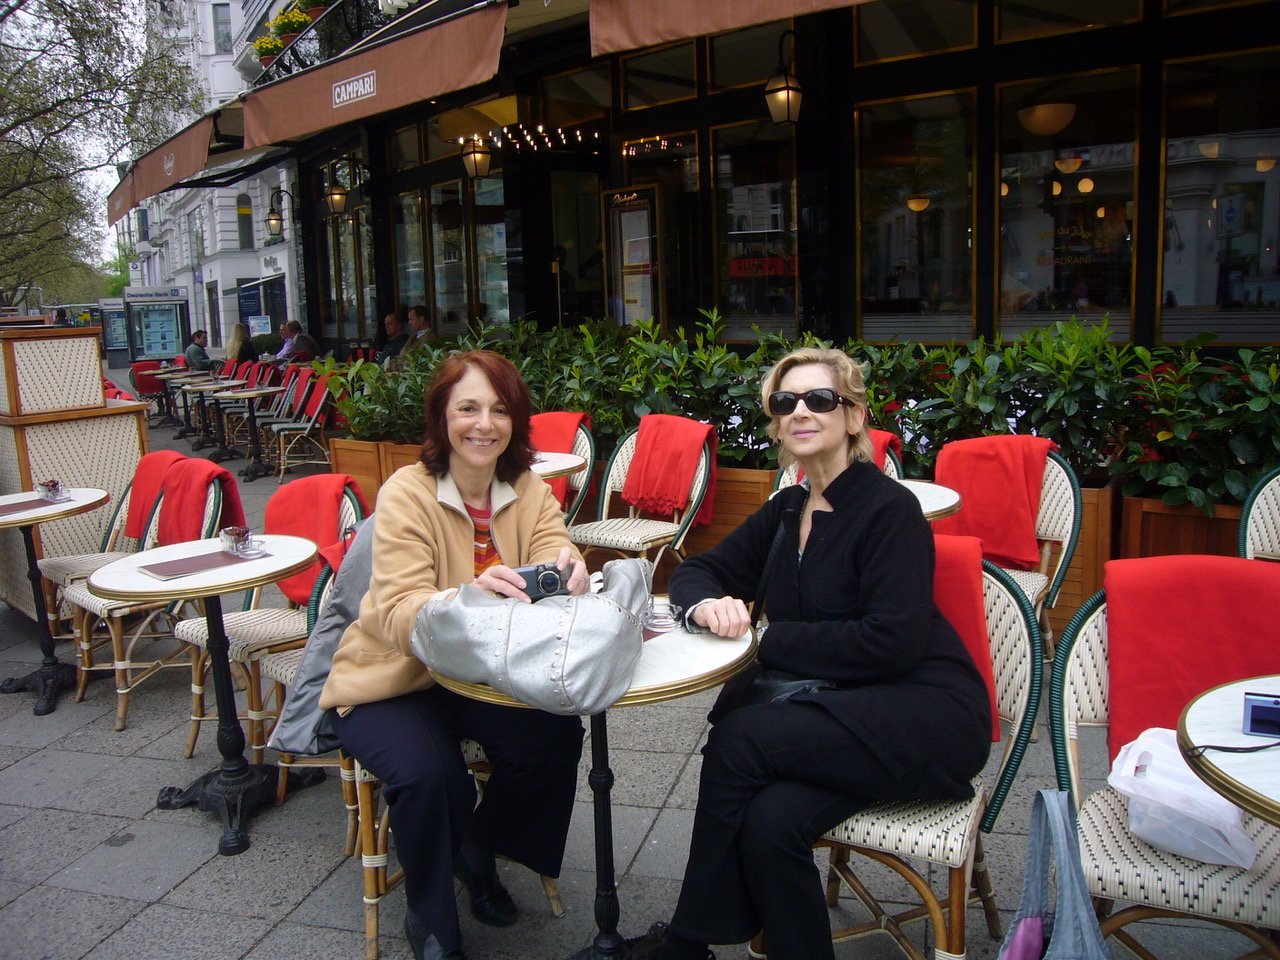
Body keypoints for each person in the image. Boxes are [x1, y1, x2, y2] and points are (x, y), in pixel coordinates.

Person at [627, 347, 992, 960]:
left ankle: (686, 946)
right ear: (774, 421)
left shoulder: (890, 511)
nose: (801, 411)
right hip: (841, 718)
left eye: (820, 399)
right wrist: (703, 606)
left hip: (924, 717)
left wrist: (769, 638)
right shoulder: (788, 507)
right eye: (784, 401)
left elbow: (892, 641)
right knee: (771, 825)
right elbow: (705, 570)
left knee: (740, 739)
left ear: (853, 416)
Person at [319, 350, 588, 960]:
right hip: (395, 676)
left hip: (483, 675)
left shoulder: (526, 487)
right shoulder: (407, 492)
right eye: (467, 407)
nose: (483, 424)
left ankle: (477, 845)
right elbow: (394, 609)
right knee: (429, 775)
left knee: (553, 740)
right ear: (441, 416)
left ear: (516, 422)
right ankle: (431, 916)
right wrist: (465, 599)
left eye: (499, 410)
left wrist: (568, 565)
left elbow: (553, 542)